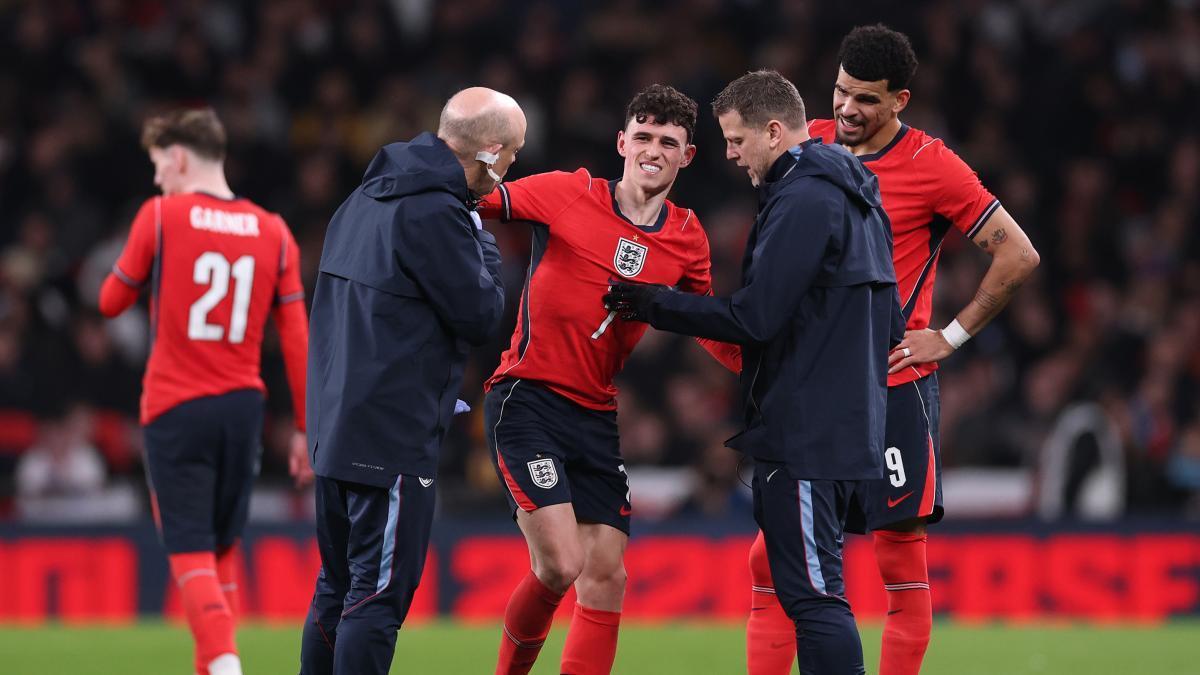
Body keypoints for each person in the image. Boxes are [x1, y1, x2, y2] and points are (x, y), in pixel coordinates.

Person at [741, 25, 1042, 675]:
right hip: (811, 387)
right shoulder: (806, 140)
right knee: (774, 559)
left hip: (892, 388)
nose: (847, 109)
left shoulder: (933, 166)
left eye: (866, 100)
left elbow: (1018, 253)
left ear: (900, 100)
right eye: (841, 92)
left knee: (899, 561)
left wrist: (949, 336)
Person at [604, 70, 898, 675]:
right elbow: (889, 322)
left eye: (736, 140)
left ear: (771, 130)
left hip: (809, 432)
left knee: (815, 598)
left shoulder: (805, 199)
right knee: (810, 590)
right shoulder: (859, 197)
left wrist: (654, 302)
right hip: (847, 423)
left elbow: (757, 315)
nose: (730, 154)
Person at [479, 84, 740, 675]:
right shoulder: (565, 193)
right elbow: (473, 200)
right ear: (621, 142)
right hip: (528, 398)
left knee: (608, 577)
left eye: (668, 142)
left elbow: (706, 325)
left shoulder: (687, 239)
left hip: (596, 415)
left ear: (687, 156)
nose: (653, 150)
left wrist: (766, 375)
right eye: (643, 137)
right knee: (560, 564)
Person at [299, 87, 521, 675]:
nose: (513, 169)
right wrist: (484, 241)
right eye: (514, 155)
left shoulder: (364, 196)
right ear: (491, 152)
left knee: (337, 584)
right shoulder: (437, 212)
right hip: (391, 433)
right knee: (375, 597)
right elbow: (479, 313)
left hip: (335, 420)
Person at [98, 108, 311, 675]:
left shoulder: (161, 216)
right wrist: (306, 427)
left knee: (189, 551)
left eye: (157, 164)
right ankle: (212, 663)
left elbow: (109, 302)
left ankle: (223, 664)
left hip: (176, 405)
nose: (156, 177)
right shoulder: (275, 230)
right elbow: (296, 338)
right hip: (244, 407)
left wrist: (138, 268)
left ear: (181, 157)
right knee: (223, 553)